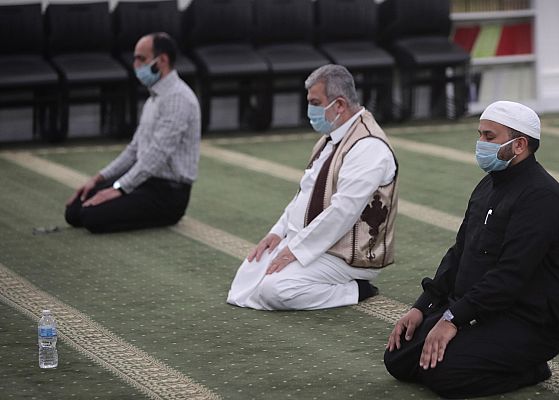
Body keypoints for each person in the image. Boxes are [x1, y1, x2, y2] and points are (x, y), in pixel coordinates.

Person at [383, 101, 559, 398]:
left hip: (528, 319)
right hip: (481, 308)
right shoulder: (488, 186)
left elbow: (511, 275)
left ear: (520, 144)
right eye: (480, 135)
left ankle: (532, 368)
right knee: (398, 356)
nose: (480, 144)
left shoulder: (541, 196)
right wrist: (423, 307)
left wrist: (453, 320)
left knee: (443, 375)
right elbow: (459, 252)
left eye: (489, 137)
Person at [226, 64, 398, 310]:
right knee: (250, 271)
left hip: (347, 253)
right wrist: (278, 232)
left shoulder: (368, 146)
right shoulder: (332, 137)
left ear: (339, 105)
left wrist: (295, 250)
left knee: (274, 290)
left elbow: (343, 212)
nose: (310, 110)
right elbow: (304, 194)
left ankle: (355, 289)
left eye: (315, 102)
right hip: (316, 241)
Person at [65, 32, 200, 233]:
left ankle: (165, 217)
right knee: (75, 209)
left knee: (91, 216)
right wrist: (99, 178)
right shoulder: (154, 98)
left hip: (168, 193)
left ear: (162, 60)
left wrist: (120, 188)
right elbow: (134, 150)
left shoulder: (178, 99)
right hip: (145, 181)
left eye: (141, 59)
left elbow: (156, 155)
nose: (135, 64)